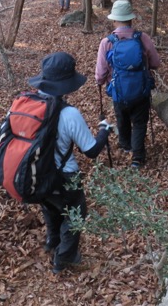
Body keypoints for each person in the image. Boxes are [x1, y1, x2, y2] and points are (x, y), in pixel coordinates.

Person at [28, 52, 113, 274]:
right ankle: (64, 258)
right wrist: (104, 130)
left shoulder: (27, 106)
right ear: (66, 84)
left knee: (50, 205)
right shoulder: (69, 114)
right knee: (75, 212)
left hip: (34, 173)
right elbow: (92, 150)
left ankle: (51, 242)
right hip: (65, 176)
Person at [95, 0, 161, 169]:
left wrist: (100, 82)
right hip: (141, 90)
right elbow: (155, 62)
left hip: (118, 91)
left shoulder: (107, 42)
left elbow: (101, 71)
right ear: (131, 18)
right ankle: (137, 158)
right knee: (139, 122)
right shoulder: (142, 38)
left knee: (121, 117)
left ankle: (125, 146)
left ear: (115, 20)